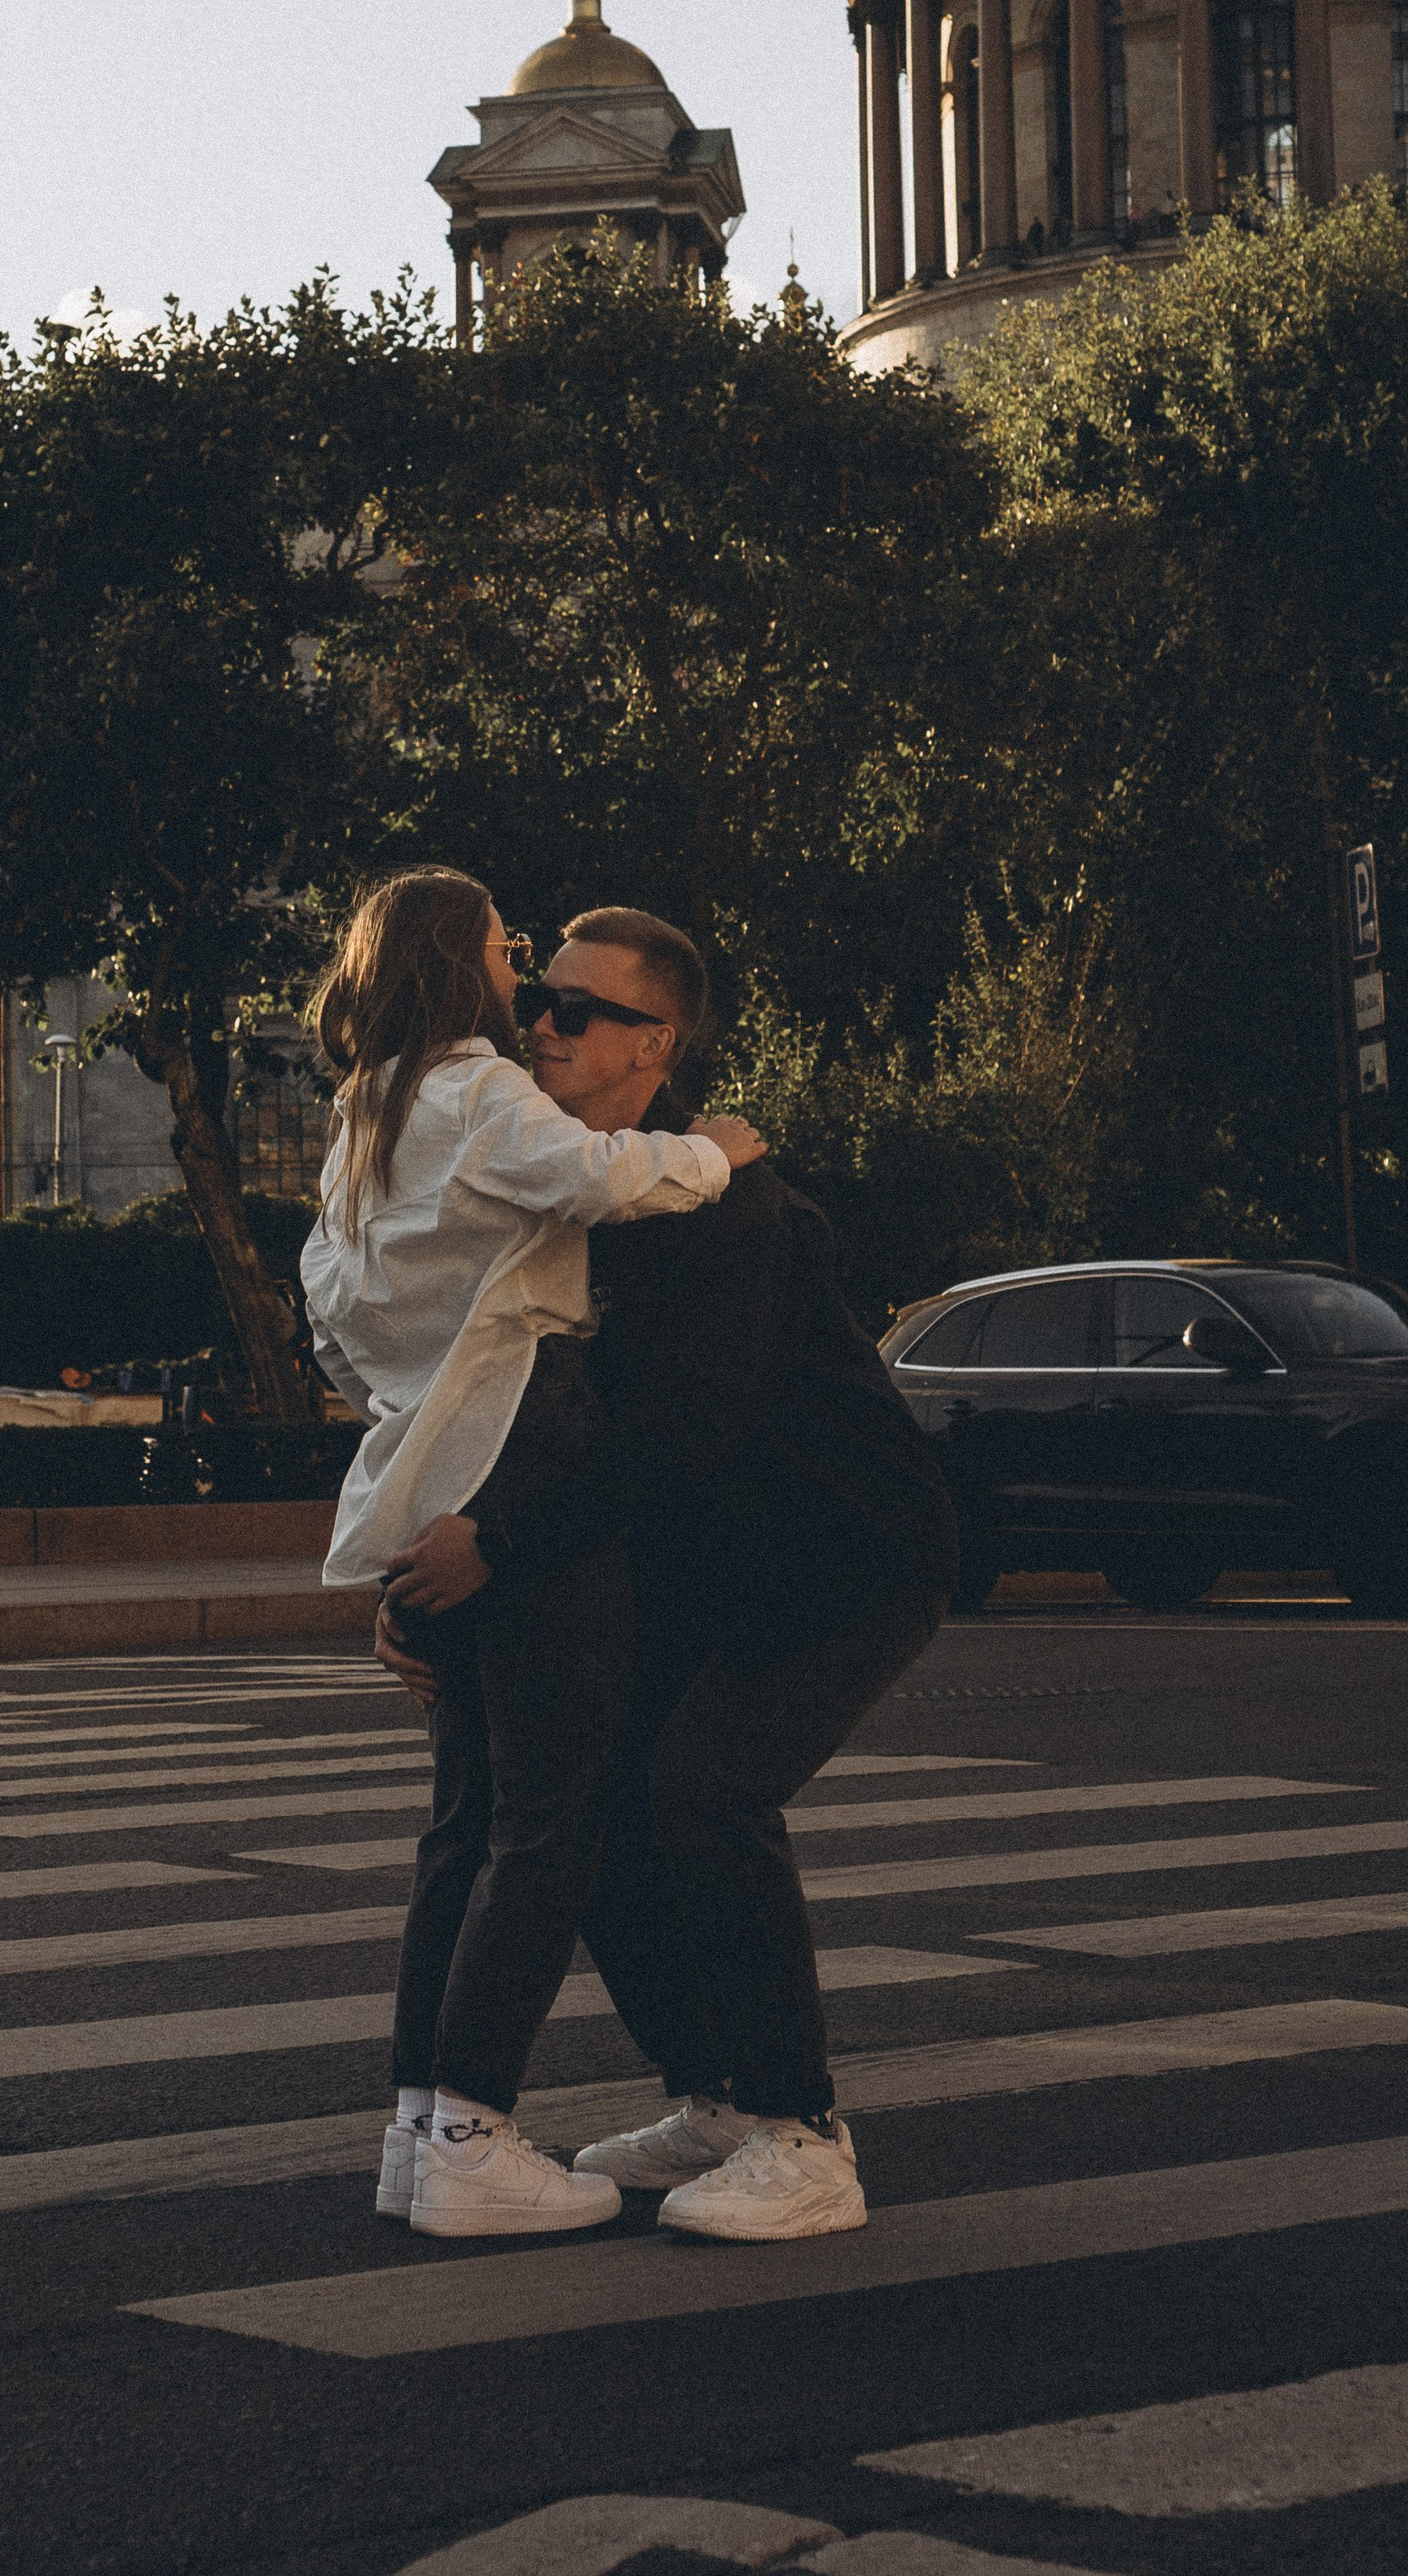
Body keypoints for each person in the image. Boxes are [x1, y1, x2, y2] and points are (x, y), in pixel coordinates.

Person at [376, 904, 958, 2246]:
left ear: (661, 1044)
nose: (544, 1026)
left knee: (705, 1791)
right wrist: (421, 1591)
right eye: (541, 1003)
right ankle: (718, 2095)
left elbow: (679, 1434)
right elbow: (482, 1400)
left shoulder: (724, 1205)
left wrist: (499, 1550)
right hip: (703, 1554)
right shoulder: (572, 1183)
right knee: (591, 1809)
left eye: (582, 1011)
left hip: (841, 1553)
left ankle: (806, 2135)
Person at [304, 865, 766, 2241]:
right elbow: (601, 1176)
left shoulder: (362, 1121)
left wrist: (421, 1398)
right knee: (549, 1820)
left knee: (466, 1822)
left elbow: (332, 1321)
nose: (529, 983)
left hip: (432, 1454)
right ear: (465, 961)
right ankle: (472, 2132)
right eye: (515, 954)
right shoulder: (477, 1091)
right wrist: (721, 1150)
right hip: (527, 1442)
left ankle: (416, 2128)